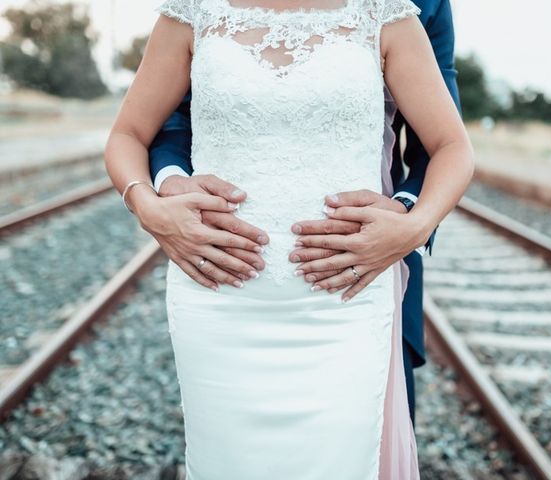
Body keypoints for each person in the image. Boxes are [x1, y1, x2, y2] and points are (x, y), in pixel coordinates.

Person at [103, 0, 474, 477]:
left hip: (344, 297)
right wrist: (148, 204)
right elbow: (129, 133)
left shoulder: (387, 12)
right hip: (219, 300)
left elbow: (451, 145)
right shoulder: (193, 9)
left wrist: (412, 225)